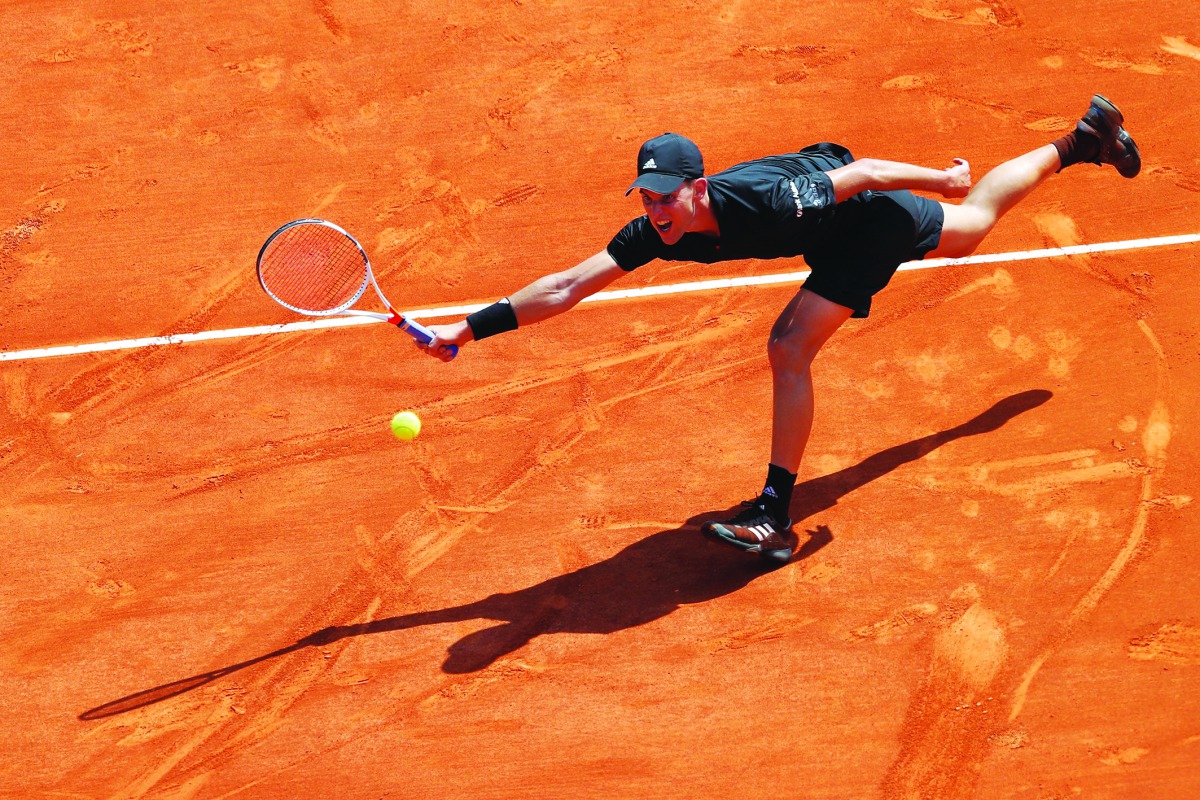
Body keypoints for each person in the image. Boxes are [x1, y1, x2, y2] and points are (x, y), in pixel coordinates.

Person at [416, 94, 1140, 564]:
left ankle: (773, 515)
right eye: (647, 198)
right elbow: (567, 286)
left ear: (698, 187)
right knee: (972, 227)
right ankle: (1083, 142)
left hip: (861, 224)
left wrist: (940, 178)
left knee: (790, 347)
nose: (657, 210)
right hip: (827, 229)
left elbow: (863, 173)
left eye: (667, 197)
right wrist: (466, 330)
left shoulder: (764, 201)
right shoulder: (656, 233)